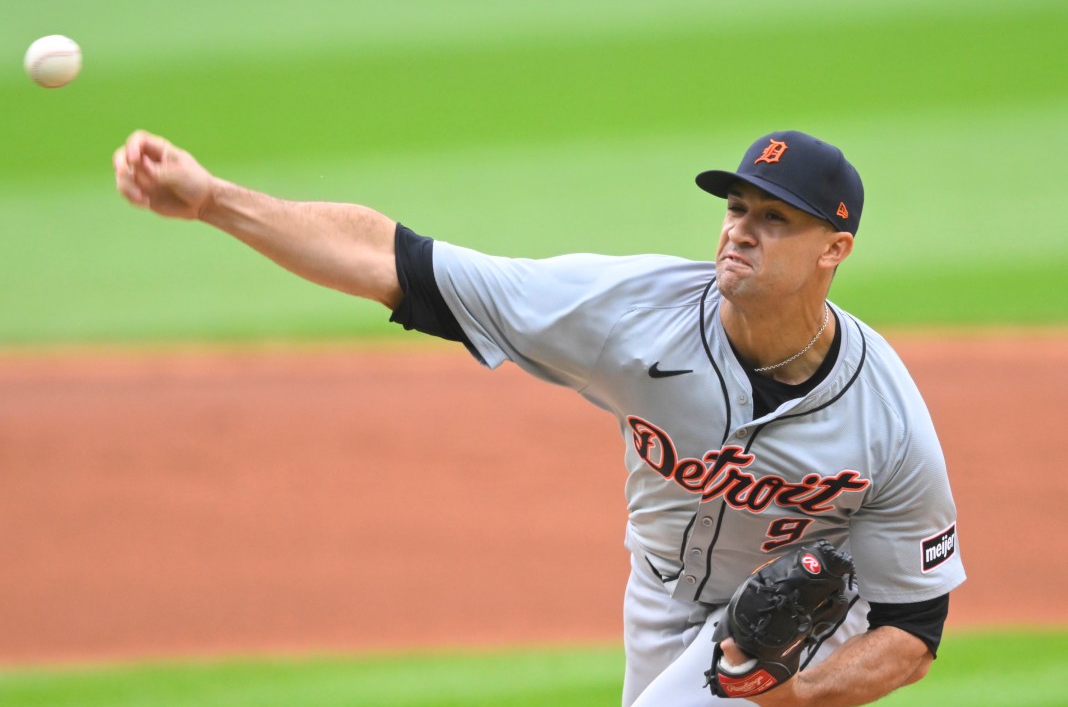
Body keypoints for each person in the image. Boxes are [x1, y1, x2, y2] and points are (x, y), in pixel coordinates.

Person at [114, 129, 965, 706]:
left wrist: (797, 691)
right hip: (660, 597)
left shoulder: (884, 418)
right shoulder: (633, 315)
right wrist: (212, 200)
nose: (740, 230)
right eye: (736, 208)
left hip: (810, 612)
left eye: (773, 219)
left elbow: (914, 627)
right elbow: (400, 262)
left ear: (834, 249)